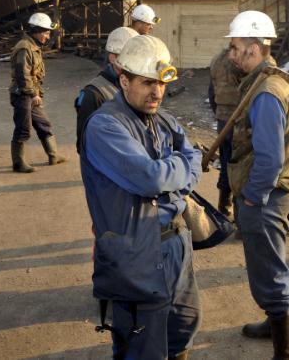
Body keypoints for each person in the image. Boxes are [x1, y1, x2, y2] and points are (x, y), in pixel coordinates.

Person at [80, 35, 202, 360]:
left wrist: (175, 170)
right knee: (142, 347)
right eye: (148, 82)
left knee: (182, 330)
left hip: (177, 245)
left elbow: (195, 159)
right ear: (124, 80)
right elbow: (150, 178)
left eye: (161, 83)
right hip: (137, 254)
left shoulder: (163, 119)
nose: (158, 92)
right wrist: (176, 169)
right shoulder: (105, 126)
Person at [225, 10, 289, 359]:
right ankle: (274, 321)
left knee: (270, 272)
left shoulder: (267, 93)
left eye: (235, 47)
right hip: (271, 191)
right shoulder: (266, 82)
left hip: (266, 196)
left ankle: (286, 352)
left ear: (254, 49)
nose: (231, 54)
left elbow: (269, 160)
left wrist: (253, 199)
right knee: (267, 265)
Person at [9, 12, 66, 173]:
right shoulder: (25, 48)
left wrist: (36, 94)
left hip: (30, 93)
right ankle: (18, 163)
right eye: (46, 32)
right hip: (22, 94)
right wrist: (33, 94)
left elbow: (34, 75)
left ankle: (53, 155)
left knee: (43, 124)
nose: (48, 37)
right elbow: (23, 74)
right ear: (37, 31)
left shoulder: (33, 47)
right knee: (23, 128)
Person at [74, 26, 138, 152]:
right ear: (113, 58)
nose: (136, 61)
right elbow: (84, 143)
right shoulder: (93, 94)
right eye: (130, 55)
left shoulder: (137, 85)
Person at [208, 47, 245, 217]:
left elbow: (211, 92)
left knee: (225, 163)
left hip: (223, 120)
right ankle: (240, 216)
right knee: (241, 167)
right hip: (241, 121)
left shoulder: (217, 59)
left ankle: (224, 205)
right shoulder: (241, 60)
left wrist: (220, 113)